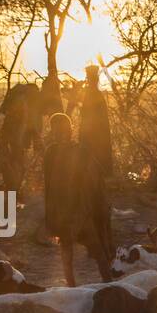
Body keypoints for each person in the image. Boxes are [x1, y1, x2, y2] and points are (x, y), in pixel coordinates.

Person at [42, 112, 114, 287]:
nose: (61, 134)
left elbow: (94, 180)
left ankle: (109, 284)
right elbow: (49, 184)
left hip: (80, 210)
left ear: (70, 130)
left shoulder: (80, 152)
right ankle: (73, 286)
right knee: (69, 252)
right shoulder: (51, 152)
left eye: (63, 130)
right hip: (64, 211)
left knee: (96, 249)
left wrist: (94, 206)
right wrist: (51, 214)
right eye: (57, 131)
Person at [78, 64, 113, 179]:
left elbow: (90, 117)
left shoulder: (93, 94)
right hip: (94, 136)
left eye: (89, 77)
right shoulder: (93, 93)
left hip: (94, 137)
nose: (88, 80)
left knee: (93, 167)